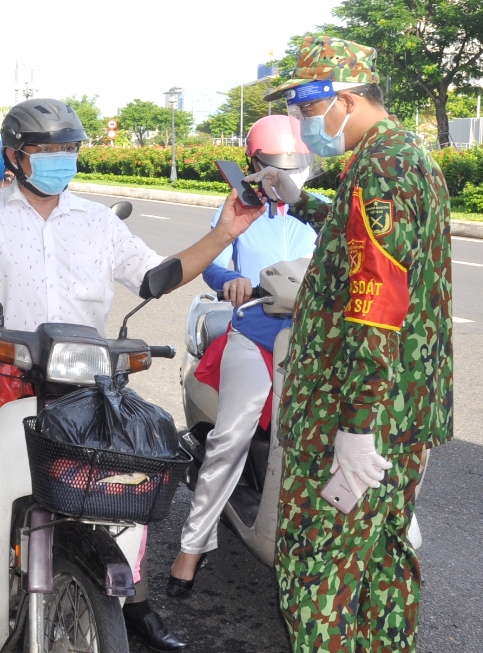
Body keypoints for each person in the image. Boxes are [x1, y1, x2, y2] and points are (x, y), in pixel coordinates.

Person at [0, 97, 265, 650]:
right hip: (3, 367)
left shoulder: (97, 222)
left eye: (69, 148)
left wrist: (225, 233)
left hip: (88, 377)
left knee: (132, 463)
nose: (61, 158)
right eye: (47, 149)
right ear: (15, 156)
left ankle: (136, 596)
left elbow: (157, 276)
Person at [244, 36, 453, 652]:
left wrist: (357, 427)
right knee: (379, 570)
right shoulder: (405, 154)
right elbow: (367, 251)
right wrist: (301, 201)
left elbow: (376, 310)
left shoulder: (380, 170)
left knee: (319, 575)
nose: (306, 125)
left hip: (357, 413)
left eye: (307, 110)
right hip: (400, 410)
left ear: (340, 99)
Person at [167, 115, 318, 596]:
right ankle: (191, 548)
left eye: (295, 169)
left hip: (308, 341)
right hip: (252, 333)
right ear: (254, 166)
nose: (286, 178)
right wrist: (226, 281)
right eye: (276, 169)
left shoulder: (312, 218)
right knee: (230, 439)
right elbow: (212, 260)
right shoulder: (238, 210)